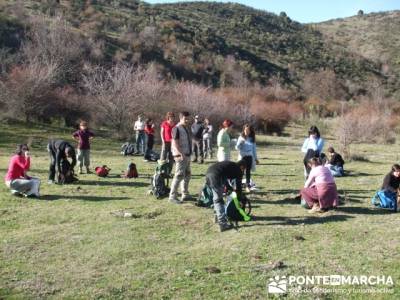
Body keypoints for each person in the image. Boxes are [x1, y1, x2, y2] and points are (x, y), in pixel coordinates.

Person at [206, 160, 247, 232]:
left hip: (209, 173)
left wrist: (229, 188)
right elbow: (238, 185)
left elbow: (224, 178)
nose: (243, 171)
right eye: (244, 169)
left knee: (216, 199)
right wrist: (239, 198)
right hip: (216, 176)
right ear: (242, 167)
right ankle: (222, 224)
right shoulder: (238, 170)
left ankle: (216, 217)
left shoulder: (230, 166)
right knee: (219, 200)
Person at [169, 111, 192, 204]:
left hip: (187, 155)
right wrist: (181, 153)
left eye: (188, 118)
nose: (187, 120)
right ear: (180, 118)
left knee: (187, 174)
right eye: (185, 119)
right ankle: (172, 196)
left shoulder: (185, 128)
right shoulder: (176, 128)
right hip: (180, 156)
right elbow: (175, 143)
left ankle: (185, 194)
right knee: (178, 176)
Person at [236, 124, 259, 192]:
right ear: (243, 130)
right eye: (245, 130)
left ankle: (247, 186)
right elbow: (237, 148)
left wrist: (256, 158)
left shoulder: (252, 138)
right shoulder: (241, 137)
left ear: (250, 131)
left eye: (248, 130)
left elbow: (254, 149)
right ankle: (238, 186)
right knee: (241, 172)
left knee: (248, 172)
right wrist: (240, 143)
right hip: (242, 157)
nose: (246, 131)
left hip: (249, 157)